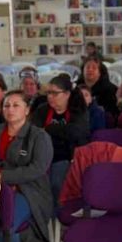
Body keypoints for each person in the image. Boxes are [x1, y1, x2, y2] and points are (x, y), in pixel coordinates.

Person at [0, 91, 54, 242]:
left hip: (28, 191)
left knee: (7, 223)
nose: (10, 109)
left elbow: (37, 169)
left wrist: (2, 176)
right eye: (6, 105)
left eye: (16, 105)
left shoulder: (39, 136)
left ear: (27, 110)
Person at [30, 74, 89, 209]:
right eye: (48, 93)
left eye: (55, 93)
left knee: (57, 176)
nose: (50, 97)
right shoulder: (42, 110)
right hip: (42, 155)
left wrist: (50, 128)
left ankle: (59, 212)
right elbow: (35, 131)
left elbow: (76, 132)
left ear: (67, 94)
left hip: (67, 156)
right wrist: (60, 131)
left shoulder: (77, 110)